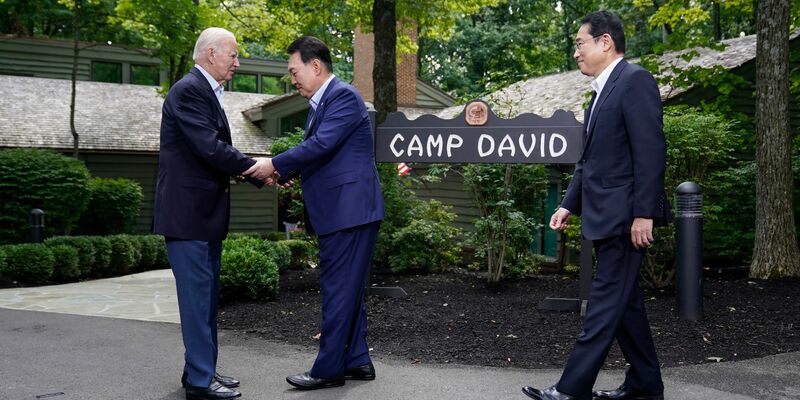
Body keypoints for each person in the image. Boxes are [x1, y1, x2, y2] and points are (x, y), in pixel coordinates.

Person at [522, 11, 670, 400]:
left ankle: (571, 390)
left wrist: (643, 213)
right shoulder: (600, 94)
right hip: (606, 215)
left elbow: (650, 152)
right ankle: (645, 384)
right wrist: (568, 205)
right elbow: (589, 162)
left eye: (579, 43)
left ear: (605, 42)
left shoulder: (635, 81)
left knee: (603, 304)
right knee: (625, 305)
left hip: (625, 217)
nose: (576, 52)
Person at [257, 36, 384, 390]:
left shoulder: (342, 96)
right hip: (347, 212)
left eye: (294, 71)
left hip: (349, 212)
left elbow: (321, 144)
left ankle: (328, 369)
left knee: (338, 290)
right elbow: (323, 154)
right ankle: (357, 360)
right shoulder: (322, 103)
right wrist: (287, 172)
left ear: (315, 66)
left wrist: (273, 164)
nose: (292, 79)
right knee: (349, 288)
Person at [153, 27, 272, 400]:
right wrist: (257, 169)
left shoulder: (204, 92)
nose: (237, 63)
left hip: (203, 216)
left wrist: (259, 173)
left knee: (204, 299)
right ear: (210, 54)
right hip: (188, 216)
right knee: (196, 301)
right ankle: (201, 383)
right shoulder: (188, 90)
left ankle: (199, 370)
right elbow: (209, 147)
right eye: (233, 55)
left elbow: (209, 152)